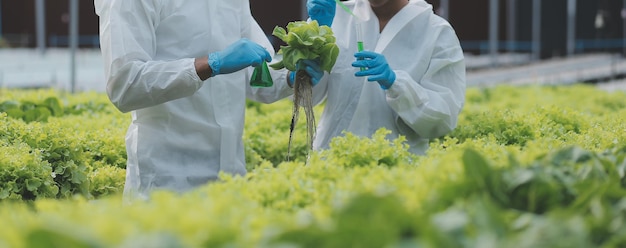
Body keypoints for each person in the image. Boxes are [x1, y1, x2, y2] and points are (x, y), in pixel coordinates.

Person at [93, 0, 321, 201]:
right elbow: (125, 84)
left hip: (230, 180)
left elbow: (257, 70)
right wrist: (208, 65)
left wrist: (291, 76)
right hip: (167, 183)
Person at [306, 0, 466, 155]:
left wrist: (397, 84)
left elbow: (444, 118)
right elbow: (304, 96)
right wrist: (315, 36)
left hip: (397, 167)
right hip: (332, 159)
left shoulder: (436, 31)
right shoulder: (335, 17)